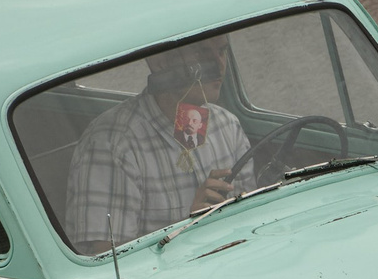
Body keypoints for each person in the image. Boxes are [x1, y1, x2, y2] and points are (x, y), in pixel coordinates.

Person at [59, 40, 251, 251]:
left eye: (222, 51)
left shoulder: (227, 126)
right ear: (160, 62)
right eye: (202, 52)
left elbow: (251, 215)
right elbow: (107, 259)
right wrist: (187, 228)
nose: (218, 64)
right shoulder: (112, 145)